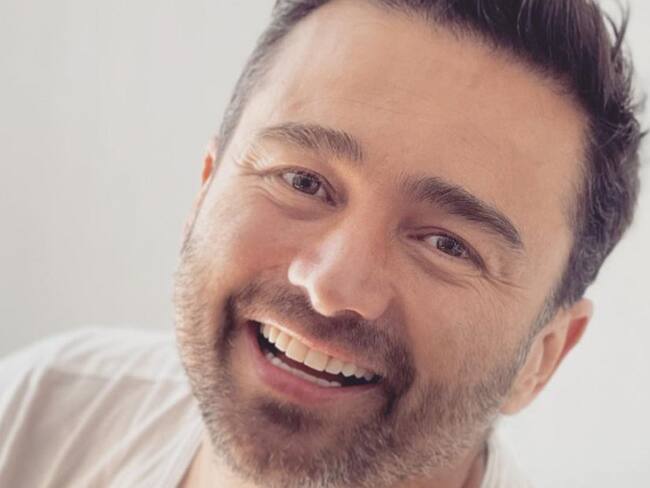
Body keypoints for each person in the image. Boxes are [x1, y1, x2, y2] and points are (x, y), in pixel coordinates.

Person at [0, 1, 644, 487]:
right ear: (205, 192)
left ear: (542, 357)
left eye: (447, 244)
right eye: (303, 182)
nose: (332, 285)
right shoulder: (37, 416)